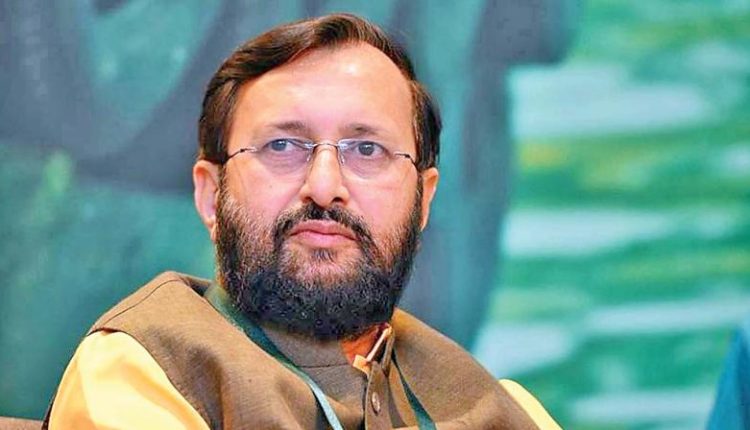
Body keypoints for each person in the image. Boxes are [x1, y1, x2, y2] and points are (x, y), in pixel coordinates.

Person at [44, 13, 560, 429]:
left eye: (367, 150)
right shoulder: (144, 372)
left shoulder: (498, 405)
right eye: (282, 146)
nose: (324, 185)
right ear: (211, 194)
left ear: (423, 201)